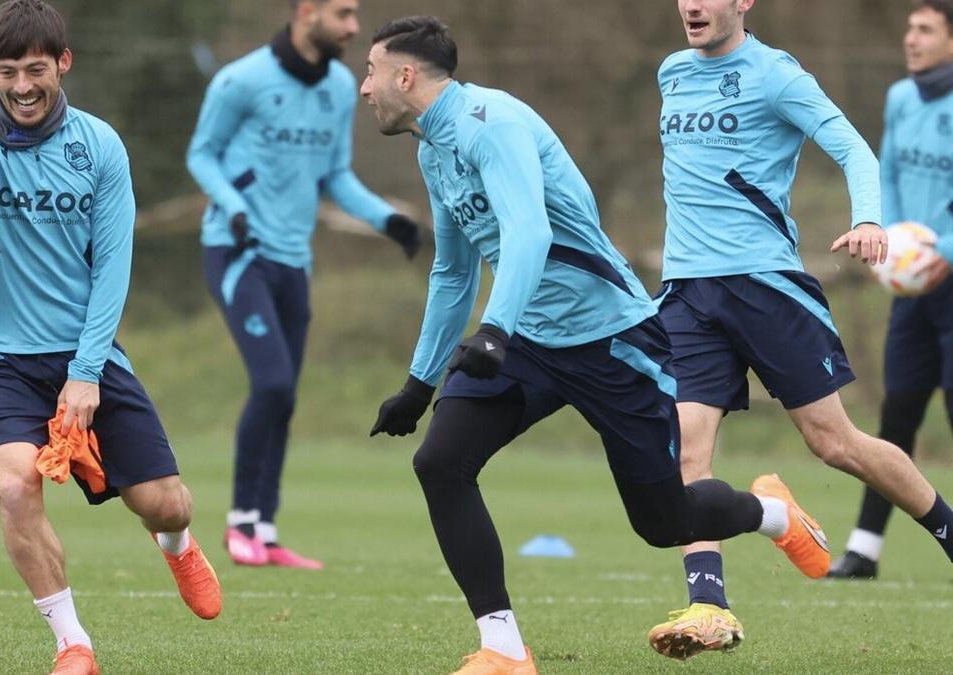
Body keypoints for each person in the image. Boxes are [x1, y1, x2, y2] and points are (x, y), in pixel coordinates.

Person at [361, 16, 827, 672]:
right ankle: (503, 649)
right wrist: (420, 381)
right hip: (526, 340)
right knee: (441, 462)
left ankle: (773, 513)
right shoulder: (432, 146)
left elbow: (530, 234)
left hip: (612, 339)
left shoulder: (490, 124)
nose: (364, 88)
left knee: (664, 522)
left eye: (371, 71)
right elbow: (453, 270)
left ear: (404, 75)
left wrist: (492, 330)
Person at [648, 0, 953, 658]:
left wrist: (870, 219)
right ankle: (711, 607)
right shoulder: (671, 71)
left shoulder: (777, 74)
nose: (693, 5)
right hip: (688, 292)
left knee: (835, 443)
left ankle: (949, 529)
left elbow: (853, 149)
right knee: (685, 454)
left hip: (765, 287)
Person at [0, 2, 221, 672]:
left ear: (63, 62)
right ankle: (72, 641)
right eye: (8, 72)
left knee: (164, 501)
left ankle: (176, 545)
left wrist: (86, 372)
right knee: (12, 483)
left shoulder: (100, 146)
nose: (23, 85)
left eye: (36, 69)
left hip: (88, 352)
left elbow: (113, 265)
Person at [186, 0, 422, 570]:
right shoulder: (239, 81)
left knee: (285, 395)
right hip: (238, 252)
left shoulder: (340, 87)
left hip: (294, 261)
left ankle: (264, 531)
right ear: (306, 11)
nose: (352, 26)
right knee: (270, 384)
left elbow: (335, 174)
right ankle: (240, 523)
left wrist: (386, 217)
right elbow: (202, 155)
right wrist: (235, 206)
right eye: (342, 13)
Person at [829, 0, 953, 580]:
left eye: (925, 28)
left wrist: (940, 251)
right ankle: (864, 549)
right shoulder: (902, 98)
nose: (911, 38)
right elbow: (890, 175)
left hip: (948, 276)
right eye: (909, 27)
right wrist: (896, 242)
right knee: (895, 413)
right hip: (913, 286)